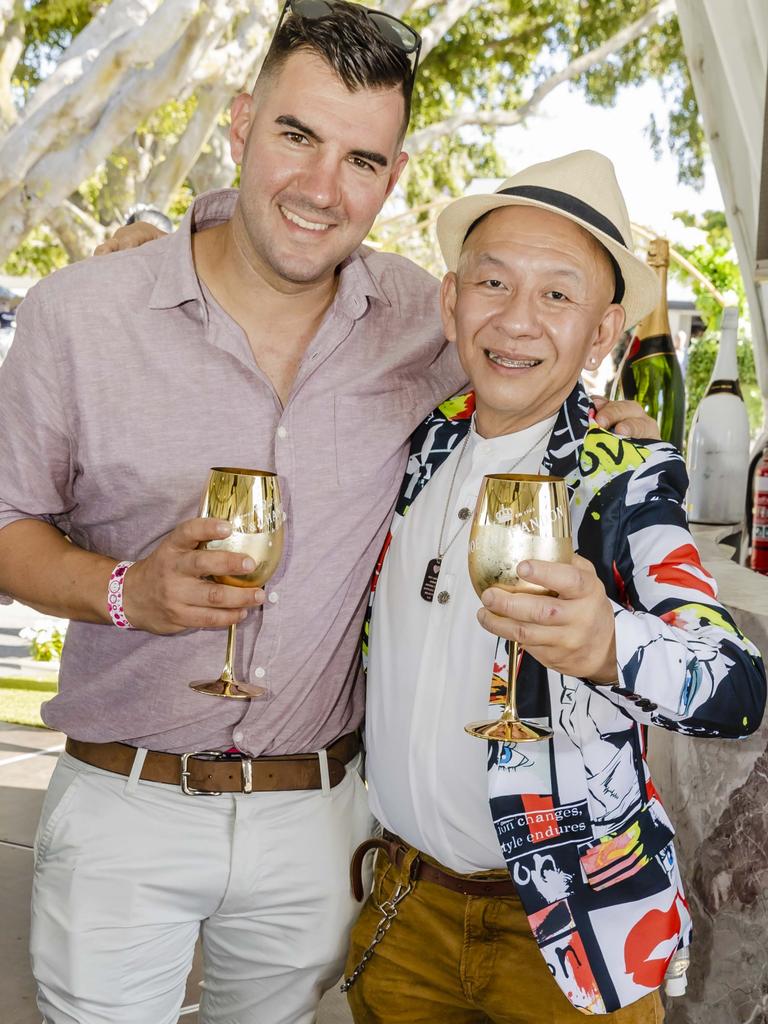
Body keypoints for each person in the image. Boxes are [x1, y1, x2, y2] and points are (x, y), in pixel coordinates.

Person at [0, 2, 654, 1020]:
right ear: (239, 123)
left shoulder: (421, 318)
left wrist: (602, 415)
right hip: (123, 805)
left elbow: (527, 348)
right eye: (296, 137)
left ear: (392, 178)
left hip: (318, 819)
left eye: (360, 159)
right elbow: (9, 529)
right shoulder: (77, 318)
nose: (320, 188)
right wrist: (128, 592)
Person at [343, 151, 767, 1023]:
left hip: (573, 931)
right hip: (405, 904)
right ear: (450, 299)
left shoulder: (626, 478)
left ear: (603, 333)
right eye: (492, 283)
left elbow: (735, 687)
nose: (518, 321)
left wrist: (613, 645)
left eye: (558, 295)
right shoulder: (415, 444)